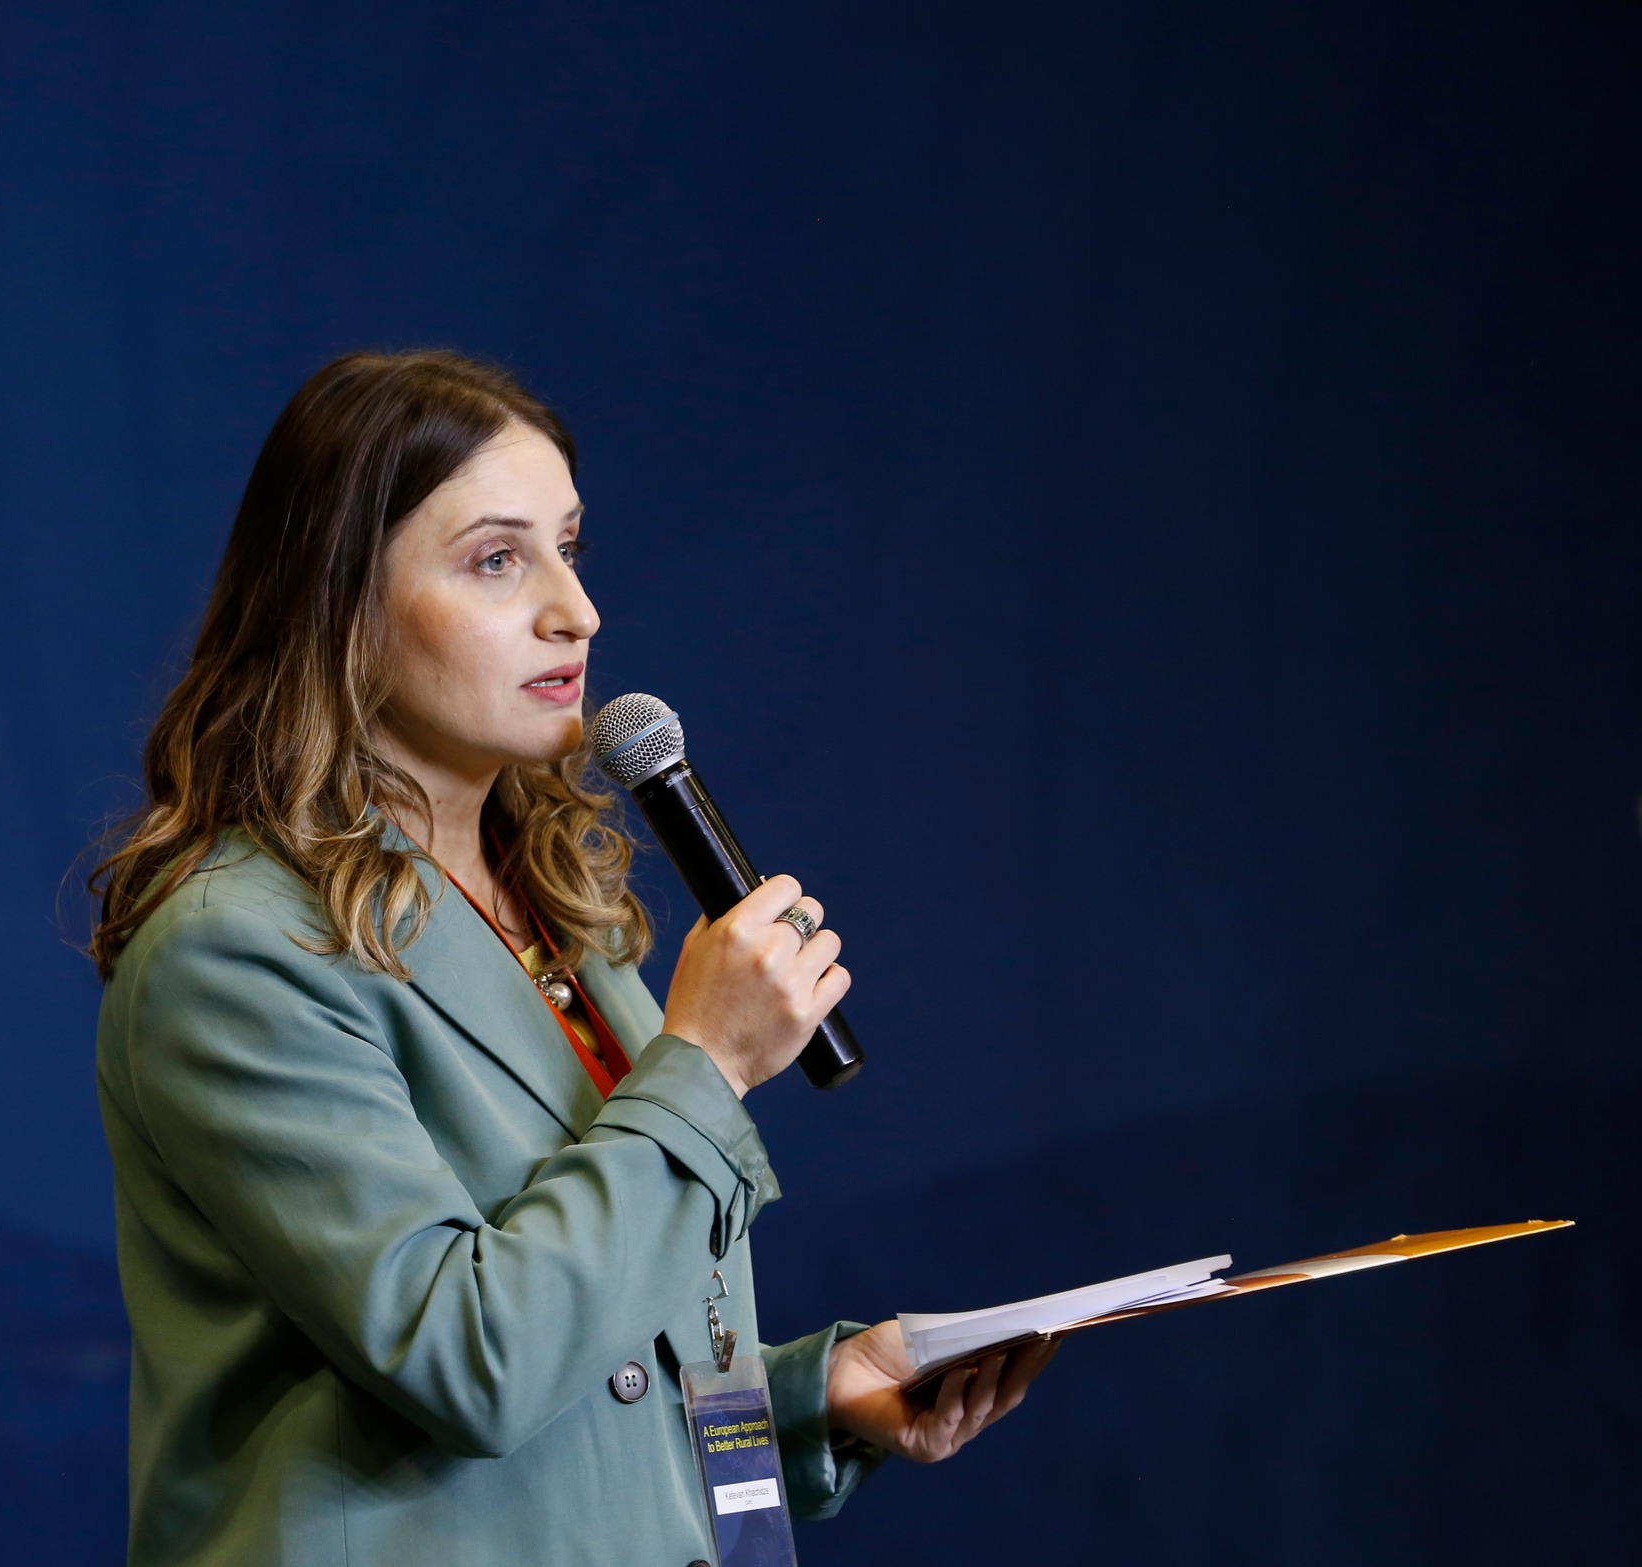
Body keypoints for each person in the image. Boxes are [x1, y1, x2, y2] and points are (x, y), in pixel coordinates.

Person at [88, 350, 1055, 1565]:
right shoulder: (234, 951)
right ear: (337, 602)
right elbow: (469, 1363)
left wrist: (814, 1397)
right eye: (497, 559)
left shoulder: (551, 902)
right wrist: (704, 1062)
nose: (576, 610)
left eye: (568, 547)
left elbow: (595, 1350)